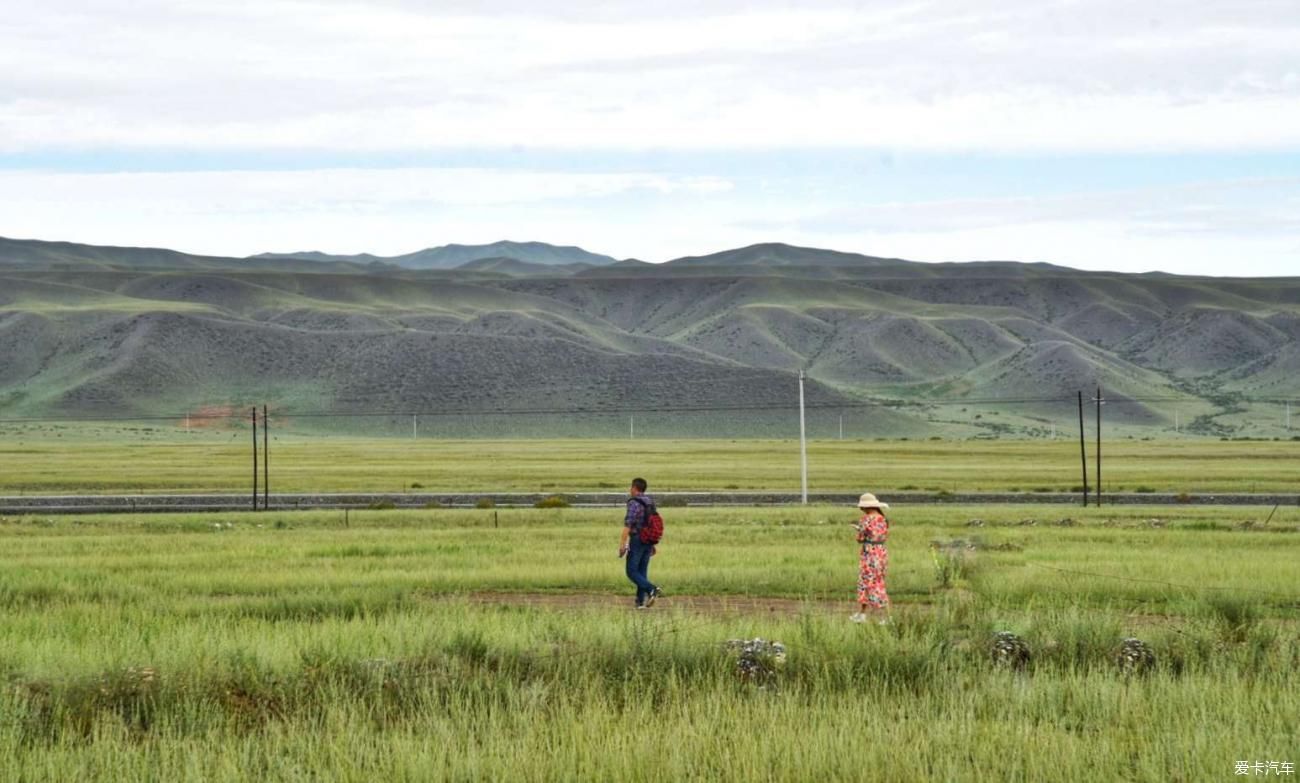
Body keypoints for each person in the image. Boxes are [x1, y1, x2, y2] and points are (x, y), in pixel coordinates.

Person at [618, 477, 661, 609]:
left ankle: (652, 589)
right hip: (648, 540)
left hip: (637, 539)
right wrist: (652, 543)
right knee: (642, 572)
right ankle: (640, 602)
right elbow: (650, 523)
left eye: (631, 487)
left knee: (631, 571)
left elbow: (628, 523)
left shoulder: (634, 502)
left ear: (634, 488)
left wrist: (622, 544)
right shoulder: (650, 502)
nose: (630, 490)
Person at [851, 492, 890, 624]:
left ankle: (881, 616)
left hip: (869, 553)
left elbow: (860, 539)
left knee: (867, 583)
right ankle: (866, 614)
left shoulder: (865, 519)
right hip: (881, 552)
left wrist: (859, 531)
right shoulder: (883, 519)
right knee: (878, 581)